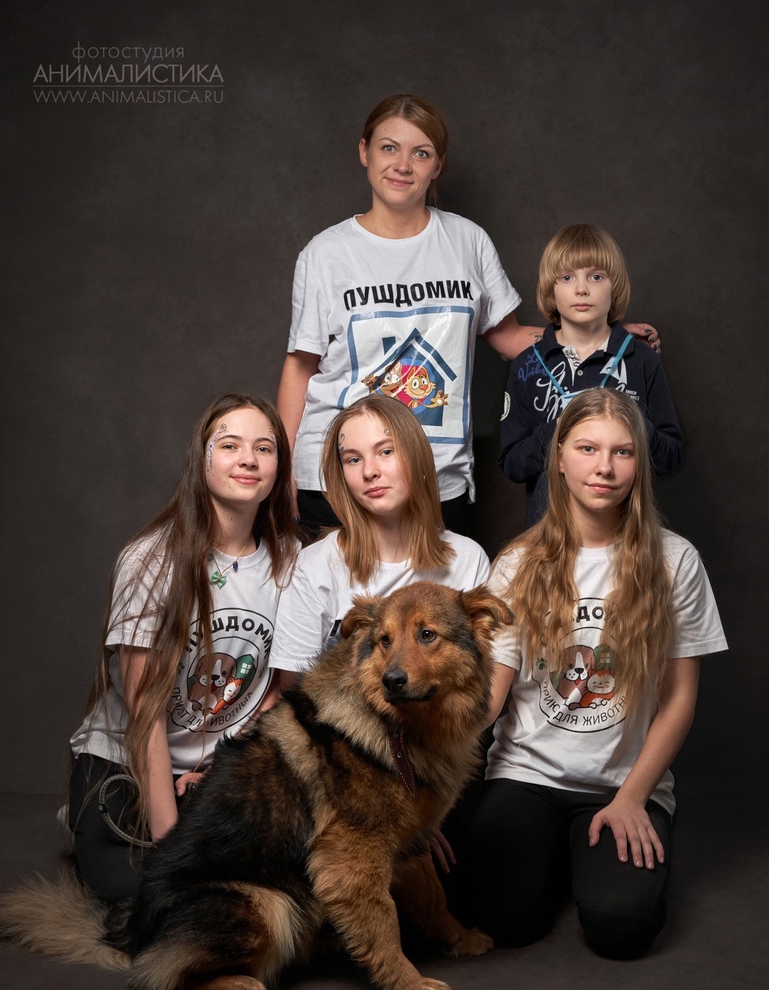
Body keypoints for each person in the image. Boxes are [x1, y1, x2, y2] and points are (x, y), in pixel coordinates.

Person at [278, 94, 661, 537]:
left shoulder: (467, 242)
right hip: (340, 474)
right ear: (364, 151)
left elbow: (509, 338)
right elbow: (301, 366)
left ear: (438, 165)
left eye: (421, 153)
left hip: (436, 474)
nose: (402, 165)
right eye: (388, 148)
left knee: (436, 586)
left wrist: (602, 335)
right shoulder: (325, 254)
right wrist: (284, 468)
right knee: (342, 586)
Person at [462, 388, 726, 958]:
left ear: (639, 464)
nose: (604, 467)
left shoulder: (675, 561)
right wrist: (420, 770)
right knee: (502, 920)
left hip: (623, 781)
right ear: (559, 457)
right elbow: (490, 699)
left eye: (621, 452)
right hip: (526, 774)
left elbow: (680, 698)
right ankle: (557, 853)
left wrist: (632, 798)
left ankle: (595, 856)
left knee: (620, 928)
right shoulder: (518, 562)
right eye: (587, 448)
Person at [67, 393, 300, 899]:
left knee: (264, 895)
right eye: (230, 445)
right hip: (129, 761)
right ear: (202, 459)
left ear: (279, 468)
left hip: (219, 767)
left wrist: (225, 770)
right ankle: (88, 821)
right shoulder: (151, 560)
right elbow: (146, 716)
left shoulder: (292, 562)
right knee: (150, 899)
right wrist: (172, 849)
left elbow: (280, 690)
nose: (248, 459)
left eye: (264, 448)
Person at [269, 394, 491, 687]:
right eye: (353, 459)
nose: (369, 471)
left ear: (416, 456)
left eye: (386, 452)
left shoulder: (468, 558)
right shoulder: (312, 567)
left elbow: (477, 685)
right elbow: (295, 693)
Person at [499, 223, 682, 526]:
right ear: (551, 288)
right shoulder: (527, 365)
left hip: (625, 536)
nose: (581, 289)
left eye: (596, 277)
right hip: (550, 537)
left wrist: (631, 424)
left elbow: (670, 458)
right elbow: (512, 465)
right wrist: (559, 430)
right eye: (567, 277)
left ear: (615, 286)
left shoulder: (641, 360)